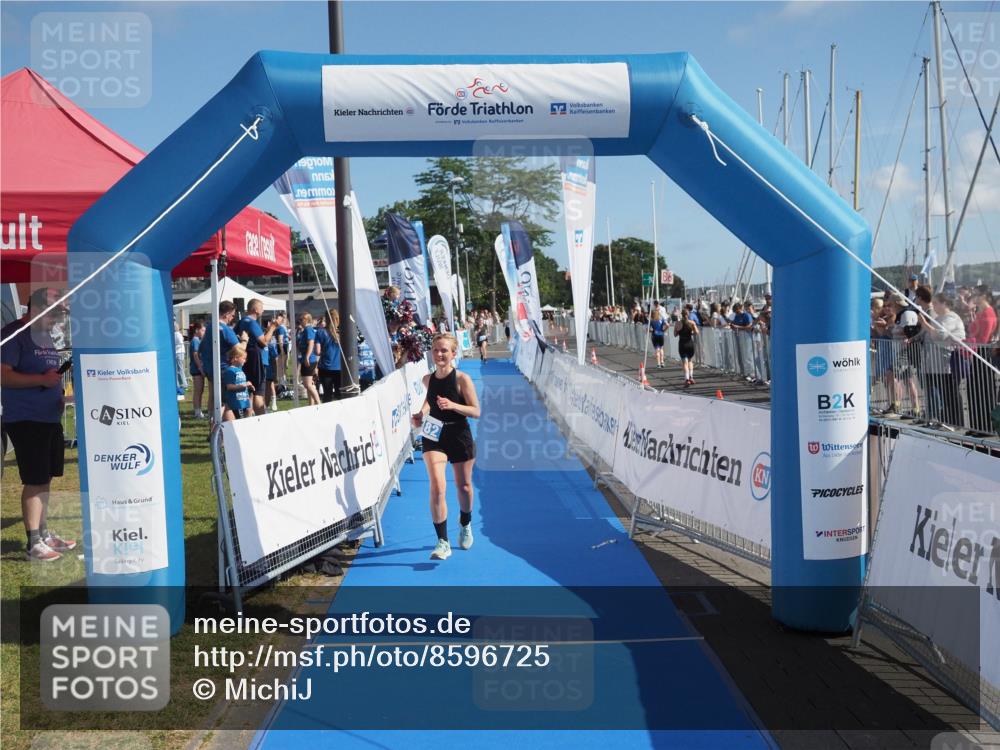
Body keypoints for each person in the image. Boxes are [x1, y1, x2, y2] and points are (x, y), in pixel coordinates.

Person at [0, 288, 76, 561]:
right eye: (55, 313)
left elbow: (48, 375)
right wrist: (41, 381)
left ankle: (43, 533)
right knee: (35, 479)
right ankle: (33, 543)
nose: (58, 319)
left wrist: (60, 395)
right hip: (26, 418)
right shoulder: (14, 335)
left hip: (48, 418)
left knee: (45, 478)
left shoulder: (44, 336)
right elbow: (4, 376)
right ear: (37, 309)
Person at [411, 333, 481, 561]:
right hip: (434, 435)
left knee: (464, 486)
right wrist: (421, 414)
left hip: (459, 434)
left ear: (453, 353)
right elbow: (430, 400)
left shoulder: (462, 379)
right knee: (438, 487)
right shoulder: (427, 379)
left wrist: (453, 405)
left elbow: (476, 411)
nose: (439, 354)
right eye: (436, 350)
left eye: (444, 350)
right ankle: (442, 541)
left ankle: (465, 522)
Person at [236, 299, 278, 416]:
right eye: (261, 307)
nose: (263, 310)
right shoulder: (251, 322)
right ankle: (261, 419)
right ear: (255, 309)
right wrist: (273, 327)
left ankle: (248, 417)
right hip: (256, 361)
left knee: (249, 392)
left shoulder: (242, 321)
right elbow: (263, 342)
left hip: (247, 359)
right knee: (258, 392)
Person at [315, 311, 342, 403]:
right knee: (340, 394)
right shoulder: (342, 332)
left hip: (325, 367)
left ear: (326, 318)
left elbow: (317, 351)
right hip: (340, 367)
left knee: (327, 395)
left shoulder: (320, 332)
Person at [221, 344, 253, 421]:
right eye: (244, 358)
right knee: (239, 421)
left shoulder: (240, 370)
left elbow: (240, 382)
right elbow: (229, 387)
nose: (245, 361)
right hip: (236, 402)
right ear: (236, 358)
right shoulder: (230, 371)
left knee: (248, 415)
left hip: (244, 400)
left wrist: (248, 386)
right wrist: (244, 385)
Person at [297, 312, 321, 405]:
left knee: (307, 384)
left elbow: (311, 343)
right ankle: (311, 404)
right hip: (306, 359)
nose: (300, 321)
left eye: (301, 319)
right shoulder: (304, 330)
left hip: (309, 359)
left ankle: (318, 403)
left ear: (306, 320)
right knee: (309, 384)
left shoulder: (308, 329)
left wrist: (307, 356)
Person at [674, 308, 699, 386]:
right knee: (690, 360)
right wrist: (691, 332)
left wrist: (679, 331)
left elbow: (675, 334)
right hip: (690, 343)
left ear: (681, 314)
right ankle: (691, 377)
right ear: (688, 314)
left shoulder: (678, 323)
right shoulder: (692, 323)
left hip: (682, 344)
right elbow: (697, 332)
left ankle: (687, 379)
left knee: (685, 362)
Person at [188, 321, 207, 419]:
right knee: (198, 391)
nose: (204, 332)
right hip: (196, 370)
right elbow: (196, 355)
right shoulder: (195, 341)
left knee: (200, 390)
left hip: (198, 369)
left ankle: (199, 411)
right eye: (202, 330)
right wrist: (200, 368)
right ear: (196, 330)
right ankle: (197, 412)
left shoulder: (198, 340)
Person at [173, 321, 188, 395]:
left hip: (178, 352)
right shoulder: (178, 334)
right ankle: (182, 384)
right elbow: (181, 342)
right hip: (179, 352)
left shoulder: (176, 334)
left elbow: (179, 343)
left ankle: (182, 384)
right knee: (180, 369)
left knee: (178, 369)